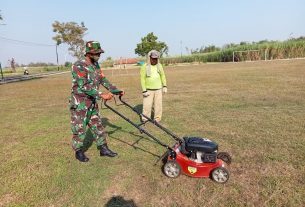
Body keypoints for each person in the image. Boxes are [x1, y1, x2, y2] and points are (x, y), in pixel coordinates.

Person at [69, 40, 123, 162]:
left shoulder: (95, 65)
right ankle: (78, 151)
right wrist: (101, 95)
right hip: (80, 104)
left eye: (100, 53)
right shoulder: (78, 65)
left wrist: (116, 90)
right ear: (88, 53)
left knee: (97, 125)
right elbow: (84, 86)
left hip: (92, 102)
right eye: (96, 53)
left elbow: (103, 80)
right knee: (79, 128)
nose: (99, 55)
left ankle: (103, 149)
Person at [140, 50, 167, 123]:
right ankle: (145, 119)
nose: (154, 60)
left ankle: (157, 119)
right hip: (148, 90)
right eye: (153, 58)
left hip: (158, 89)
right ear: (149, 58)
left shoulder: (159, 65)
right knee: (147, 105)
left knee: (158, 105)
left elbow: (162, 75)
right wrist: (144, 90)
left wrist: (164, 86)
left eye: (156, 58)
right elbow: (142, 79)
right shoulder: (144, 66)